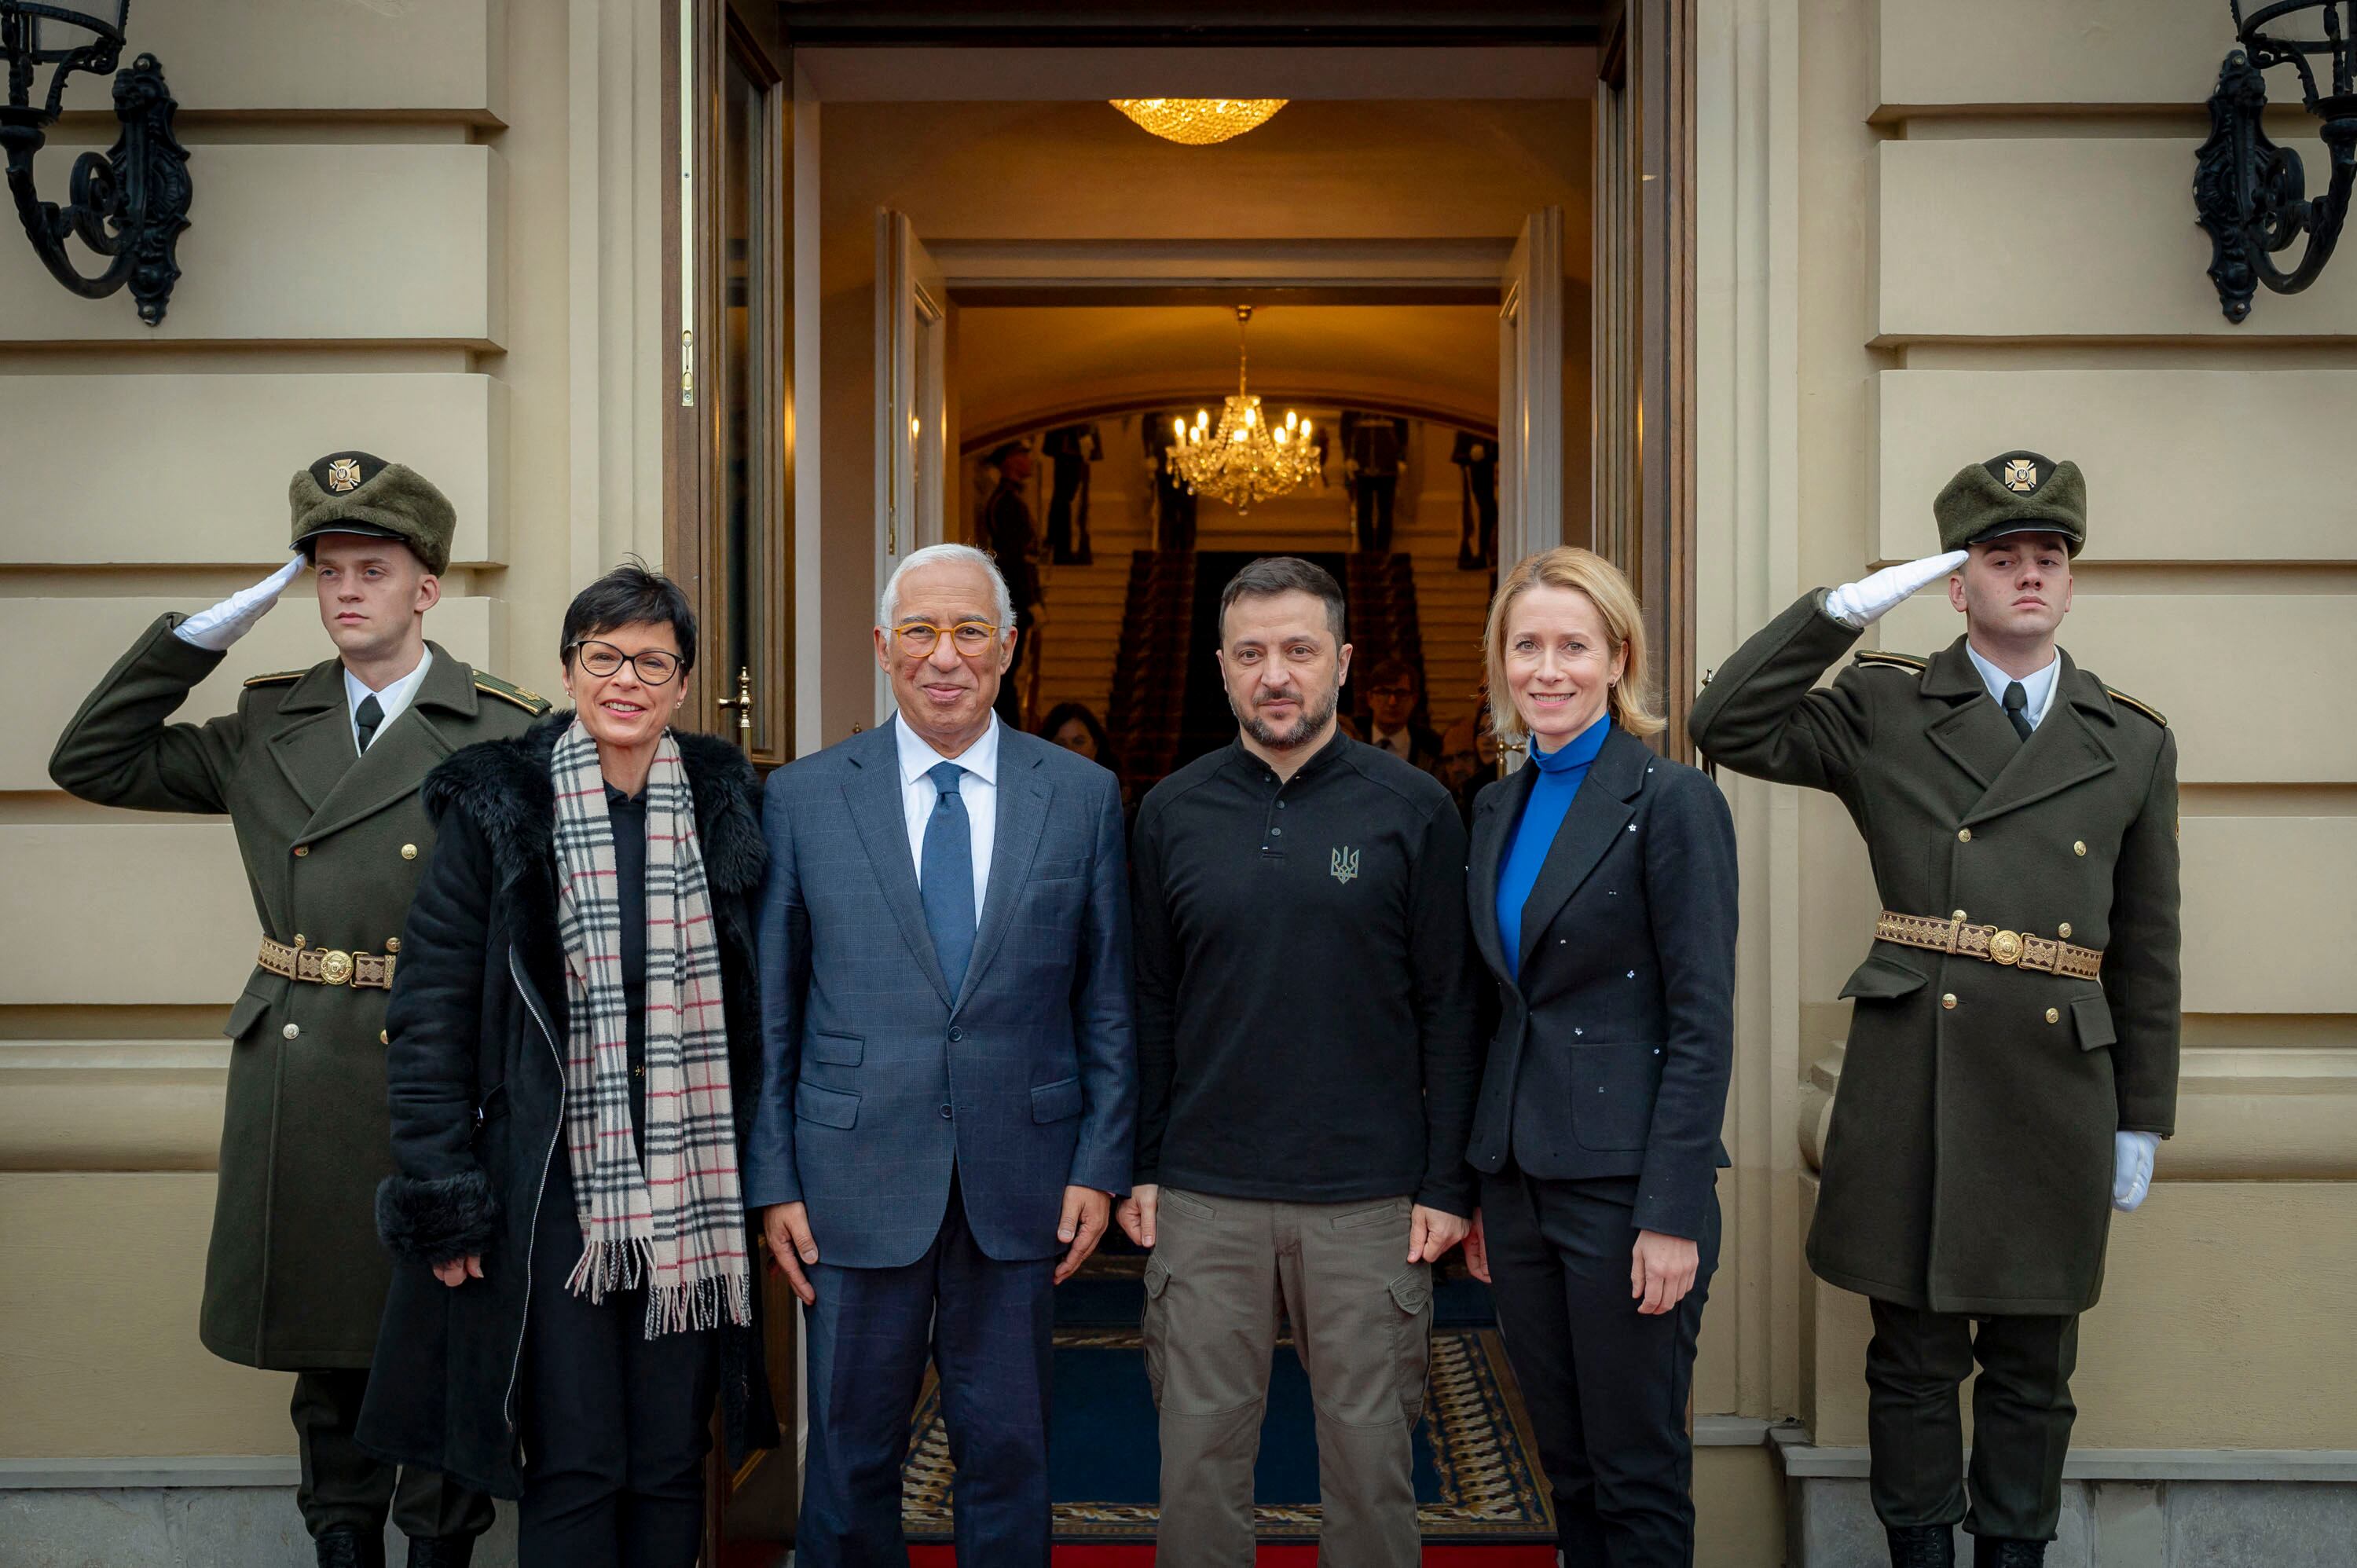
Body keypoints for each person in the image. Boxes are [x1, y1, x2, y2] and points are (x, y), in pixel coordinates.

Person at [47, 452, 543, 1568]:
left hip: (447, 1070)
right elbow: (91, 759)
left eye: (373, 569)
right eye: (325, 573)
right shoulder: (266, 725)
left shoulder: (508, 732)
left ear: (428, 588)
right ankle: (340, 1544)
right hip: (305, 1068)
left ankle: (441, 1548)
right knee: (332, 1353)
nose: (346, 592)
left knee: (444, 1333)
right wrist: (200, 638)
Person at [1688, 452, 2179, 1568]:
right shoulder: (1882, 705)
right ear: (1956, 586)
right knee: (1909, 1360)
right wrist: (1835, 614)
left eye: (2046, 557)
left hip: (2060, 1079)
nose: (2027, 576)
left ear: (2070, 580)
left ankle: (2013, 1556)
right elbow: (1729, 725)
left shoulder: (2132, 739)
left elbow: (2148, 944)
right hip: (1921, 1068)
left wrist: (2143, 1111)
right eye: (1998, 559)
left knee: (2034, 1363)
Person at [361, 565, 778, 1568]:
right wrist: (441, 1190)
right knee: (579, 1458)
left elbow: (768, 1014)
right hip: (551, 1192)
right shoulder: (501, 811)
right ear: (568, 668)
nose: (625, 679)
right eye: (603, 657)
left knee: (675, 1458)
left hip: (692, 1189)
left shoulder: (730, 813)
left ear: (682, 684)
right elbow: (429, 1016)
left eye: (651, 660)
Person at [746, 542, 1135, 1566]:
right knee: (847, 1462)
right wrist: (774, 1178)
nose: (944, 655)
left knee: (1009, 1458)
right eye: (919, 630)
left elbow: (1107, 1002)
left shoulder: (1084, 797)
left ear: (1009, 647)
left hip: (1022, 1184)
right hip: (849, 1185)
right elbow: (773, 1009)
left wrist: (1101, 1162)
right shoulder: (804, 797)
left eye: (969, 630)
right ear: (883, 647)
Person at [1119, 555, 1480, 1568]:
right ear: (1222, 669)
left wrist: (1447, 1181)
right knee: (1196, 1475)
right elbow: (1146, 1001)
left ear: (1343, 661)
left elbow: (1453, 1008)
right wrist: (1142, 1163)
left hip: (1370, 1201)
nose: (1275, 674)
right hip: (1203, 1194)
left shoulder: (1414, 809)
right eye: (1251, 654)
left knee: (1371, 1479)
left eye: (1299, 651)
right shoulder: (1169, 813)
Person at [1457, 548, 1738, 1567]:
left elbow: (1703, 1022)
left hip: (1630, 1197)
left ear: (1618, 658)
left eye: (1573, 646)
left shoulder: (1673, 803)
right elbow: (1500, 1010)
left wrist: (1670, 1214)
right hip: (1523, 1192)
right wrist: (1485, 1187)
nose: (1548, 668)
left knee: (1636, 1475)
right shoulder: (1496, 807)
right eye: (1526, 645)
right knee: (1564, 1468)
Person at [981, 441, 1046, 729]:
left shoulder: (1012, 499)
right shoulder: (1005, 502)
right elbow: (1015, 560)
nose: (1029, 460)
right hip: (1015, 596)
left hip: (1021, 593)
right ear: (1009, 460)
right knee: (1008, 671)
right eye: (1024, 454)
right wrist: (1031, 600)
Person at [1362, 656, 1443, 775]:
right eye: (1384, 692)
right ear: (1370, 698)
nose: (1392, 702)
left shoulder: (1430, 747)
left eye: (1401, 693)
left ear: (1414, 699)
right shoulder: (1352, 739)